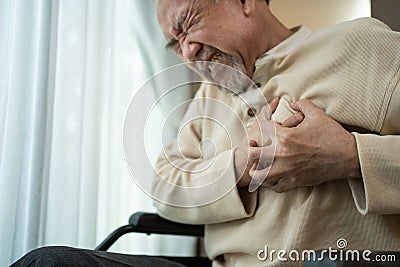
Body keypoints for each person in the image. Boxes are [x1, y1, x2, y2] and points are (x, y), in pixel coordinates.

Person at [12, 0, 400, 266]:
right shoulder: (209, 97)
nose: (187, 52)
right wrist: (242, 165)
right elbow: (163, 181)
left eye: (188, 24)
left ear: (245, 1)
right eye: (174, 43)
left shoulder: (361, 46)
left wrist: (349, 156)